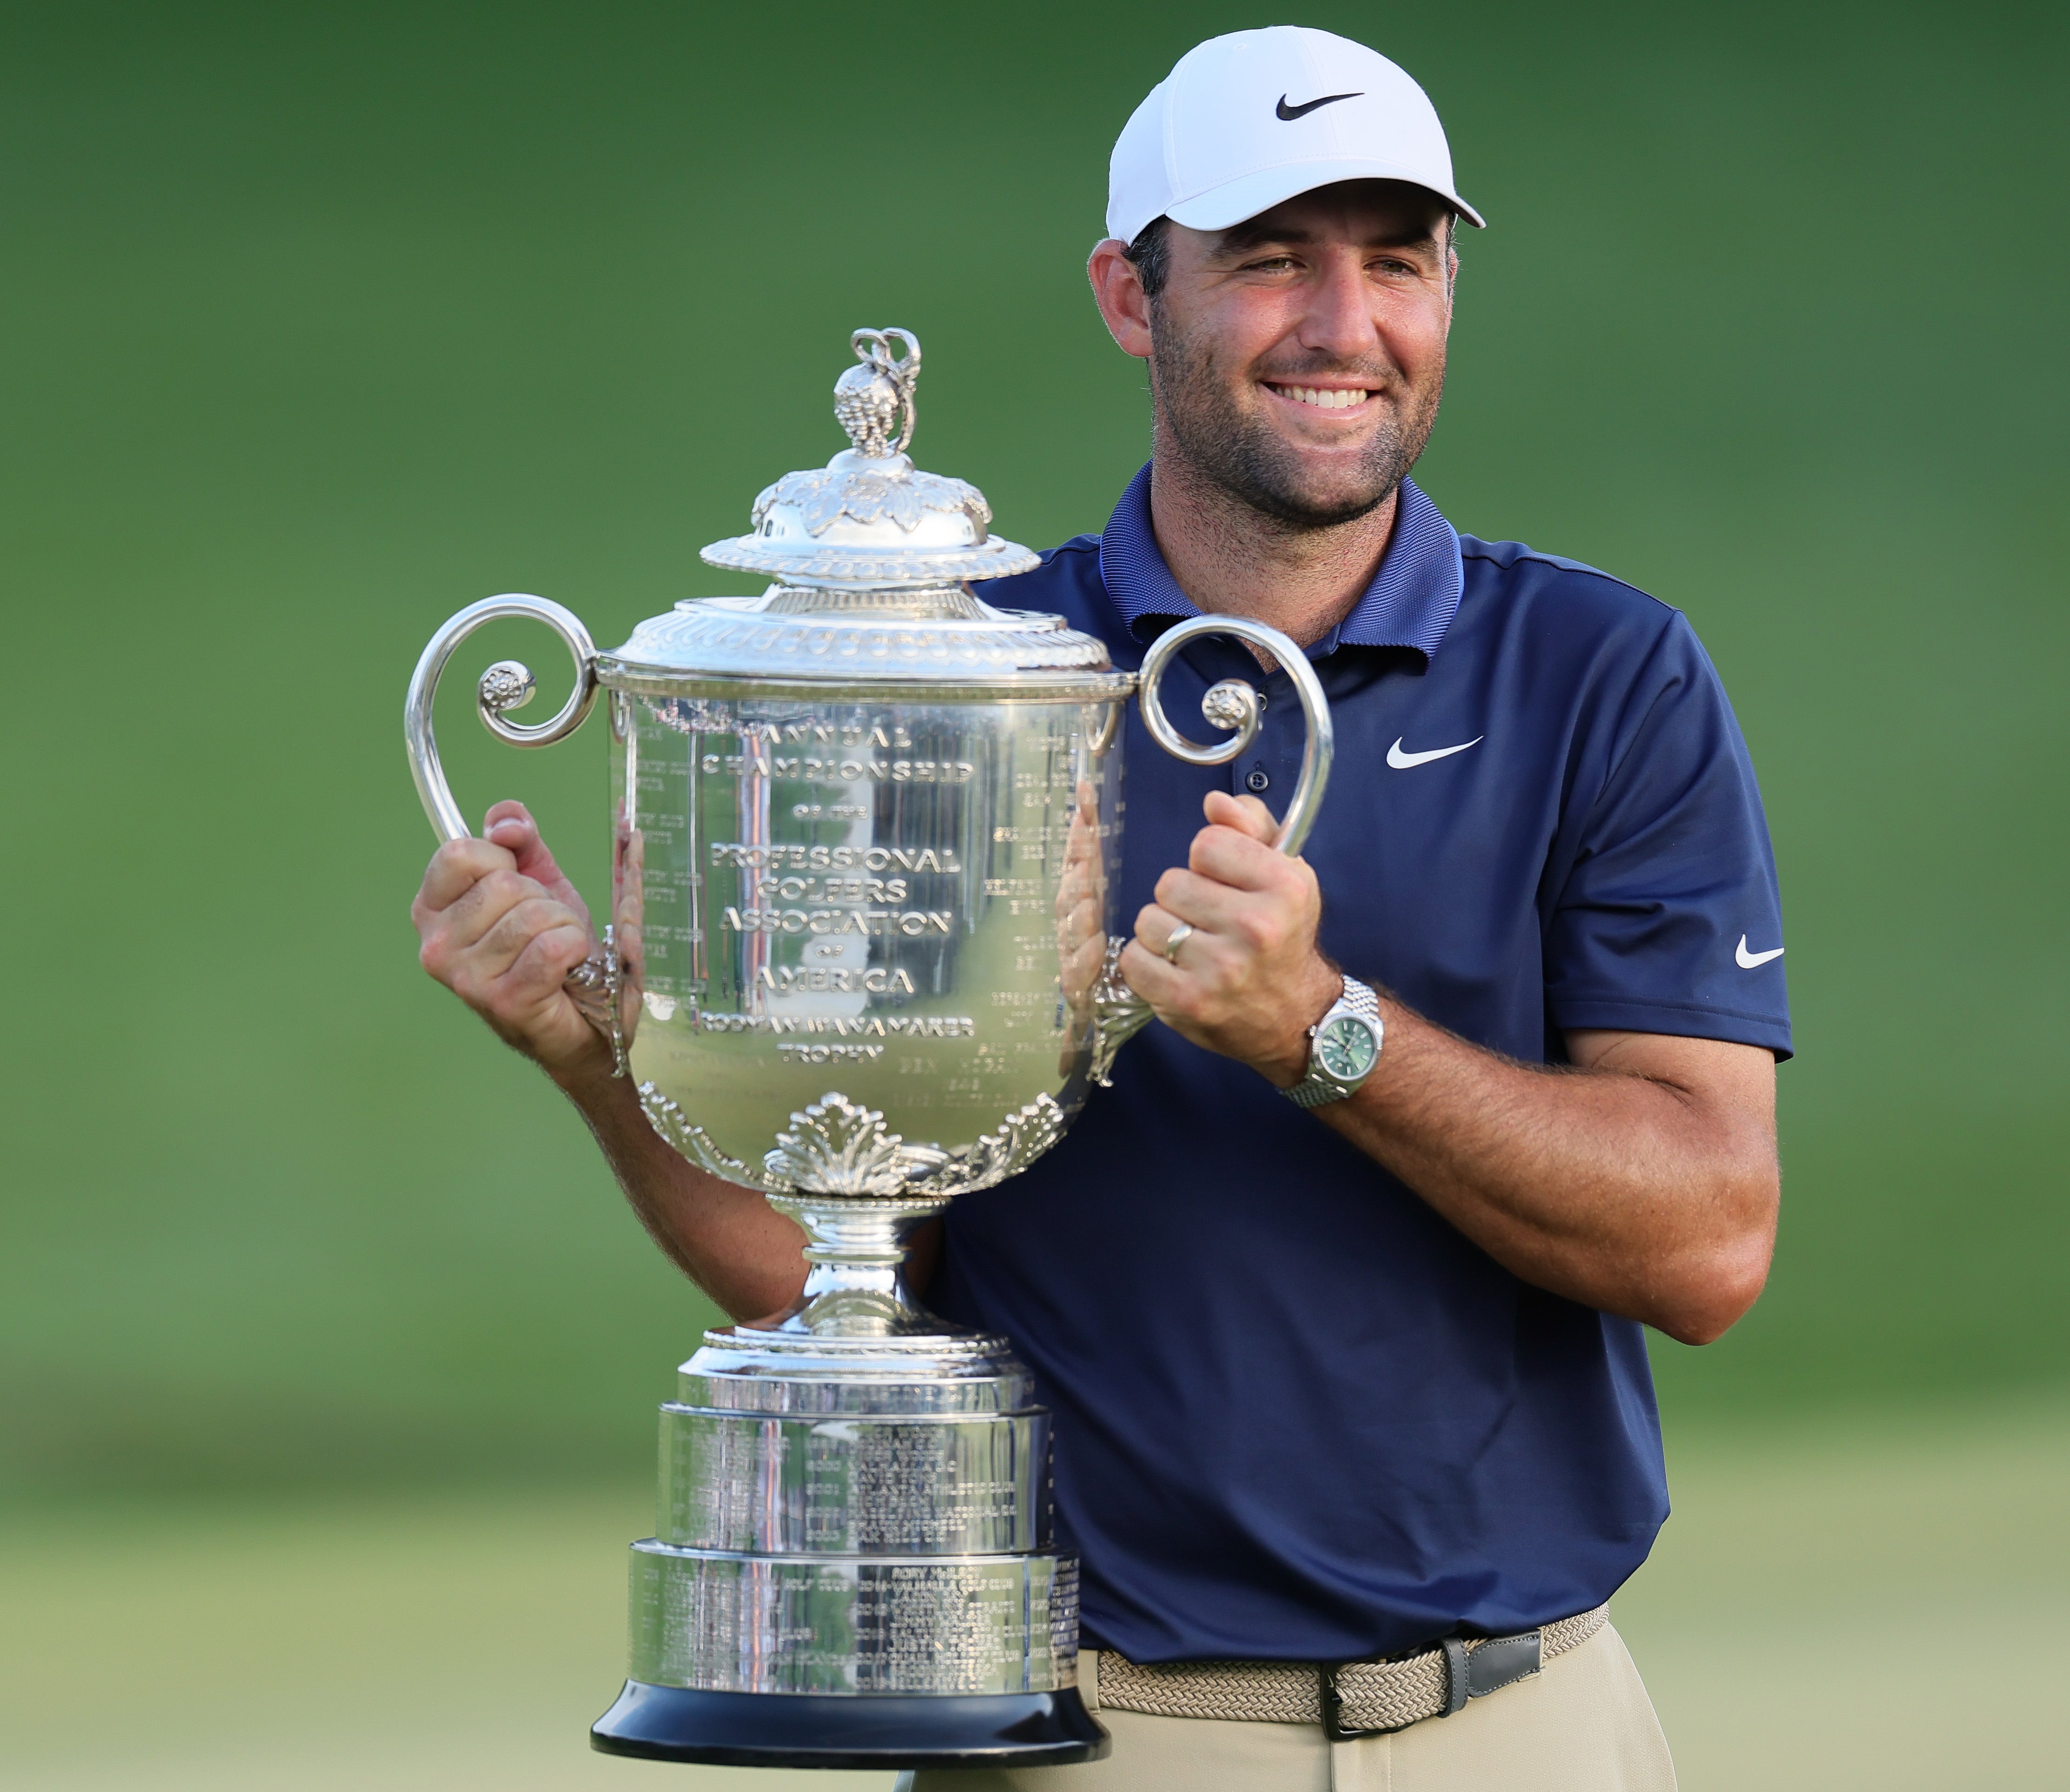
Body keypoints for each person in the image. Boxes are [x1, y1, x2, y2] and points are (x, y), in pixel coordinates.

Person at [411, 26, 1786, 1791]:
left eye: (1395, 260)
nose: (1340, 324)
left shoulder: (1602, 673)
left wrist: (1321, 1031)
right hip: (1093, 1736)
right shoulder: (961, 686)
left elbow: (1704, 1243)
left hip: (1524, 1726)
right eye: (1268, 259)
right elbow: (823, 1263)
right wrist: (598, 1048)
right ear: (1131, 298)